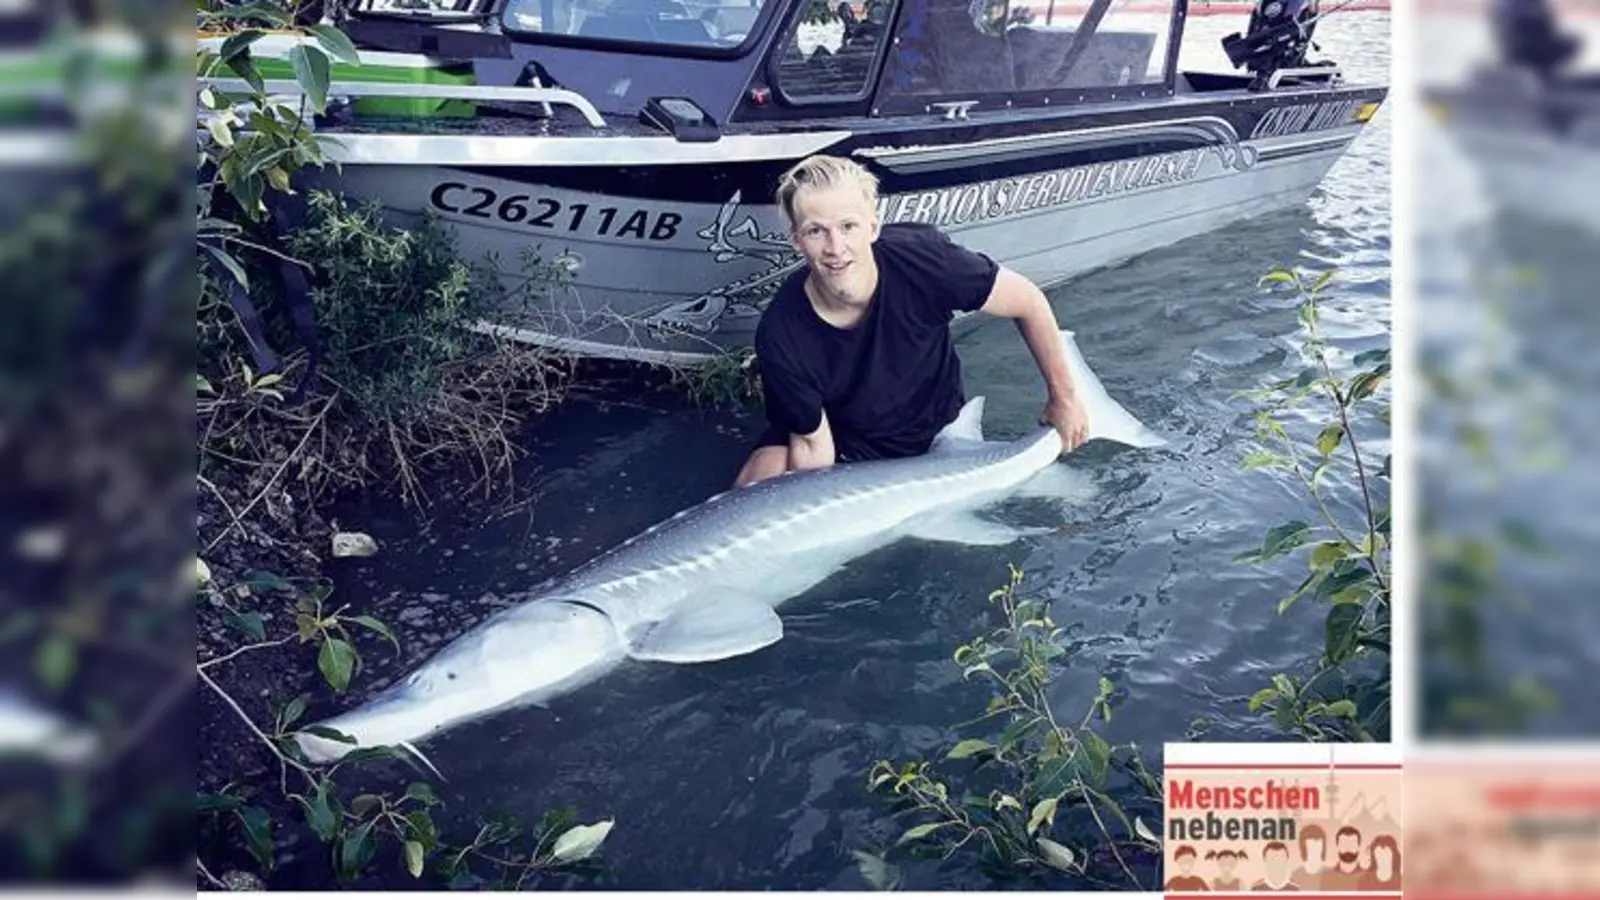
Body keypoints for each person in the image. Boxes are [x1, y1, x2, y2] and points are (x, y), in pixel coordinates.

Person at [733, 154, 1090, 487]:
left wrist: (1065, 398)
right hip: (847, 450)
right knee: (758, 481)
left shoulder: (924, 261)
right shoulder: (780, 334)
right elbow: (814, 450)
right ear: (797, 242)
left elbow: (1027, 301)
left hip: (940, 433)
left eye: (848, 226)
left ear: (873, 227)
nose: (835, 247)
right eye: (816, 231)